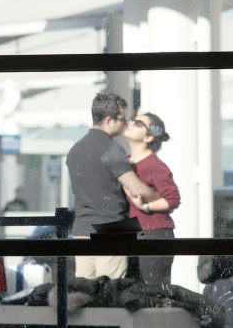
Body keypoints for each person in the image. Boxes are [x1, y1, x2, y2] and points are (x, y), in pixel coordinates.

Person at [67, 91, 160, 279]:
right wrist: (159, 198)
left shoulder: (74, 150)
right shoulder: (112, 149)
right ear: (109, 120)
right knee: (110, 293)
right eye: (122, 119)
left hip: (81, 230)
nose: (126, 124)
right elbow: (135, 187)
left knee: (85, 294)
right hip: (111, 230)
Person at [122, 112, 180, 286]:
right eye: (133, 120)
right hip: (132, 234)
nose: (131, 123)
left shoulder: (155, 165)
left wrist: (145, 206)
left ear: (148, 137)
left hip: (155, 234)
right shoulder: (125, 163)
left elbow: (173, 199)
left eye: (139, 124)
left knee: (154, 294)